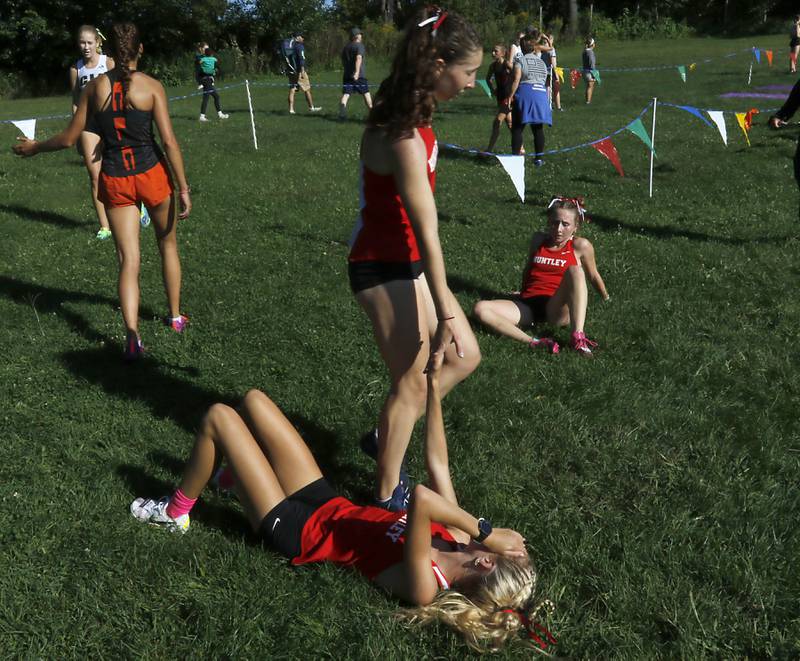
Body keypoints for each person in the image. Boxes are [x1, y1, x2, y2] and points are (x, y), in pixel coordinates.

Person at [130, 356, 554, 652]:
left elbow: (423, 499)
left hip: (297, 529)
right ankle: (233, 475)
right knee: (254, 402)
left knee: (219, 418)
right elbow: (437, 462)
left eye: (505, 554)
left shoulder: (426, 586)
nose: (505, 542)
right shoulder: (459, 538)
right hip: (325, 502)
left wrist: (487, 530)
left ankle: (175, 512)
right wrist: (432, 389)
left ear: (486, 563)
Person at [348, 8, 483, 511]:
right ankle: (385, 493)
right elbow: (426, 226)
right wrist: (445, 308)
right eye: (467, 73)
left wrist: (442, 299)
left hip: (409, 262)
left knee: (463, 357)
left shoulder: (416, 111)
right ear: (438, 64)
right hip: (381, 264)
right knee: (412, 378)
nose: (472, 83)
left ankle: (385, 438)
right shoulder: (401, 132)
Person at [13, 22, 192, 361]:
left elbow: (68, 139)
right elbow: (168, 142)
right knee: (167, 244)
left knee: (128, 260)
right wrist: (183, 187)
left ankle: (132, 336)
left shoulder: (95, 88)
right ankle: (175, 317)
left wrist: (36, 147)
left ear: (112, 50)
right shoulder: (152, 87)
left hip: (115, 178)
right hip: (152, 175)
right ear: (140, 50)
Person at [473, 198, 609, 357]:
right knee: (480, 308)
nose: (558, 229)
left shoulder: (580, 246)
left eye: (565, 224)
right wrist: (522, 291)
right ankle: (535, 342)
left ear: (575, 227)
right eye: (554, 222)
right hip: (529, 304)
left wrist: (606, 297)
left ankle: (578, 337)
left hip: (556, 307)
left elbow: (593, 275)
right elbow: (529, 268)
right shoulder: (539, 240)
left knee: (575, 271)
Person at [69, 25, 115, 240]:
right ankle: (105, 226)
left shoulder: (108, 63)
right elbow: (76, 102)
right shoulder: (76, 68)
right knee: (95, 176)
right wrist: (75, 130)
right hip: (88, 126)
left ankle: (136, 205)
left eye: (89, 42)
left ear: (97, 42)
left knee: (117, 170)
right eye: (81, 42)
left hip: (111, 123)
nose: (85, 47)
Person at [508, 33, 552, 164]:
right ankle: (539, 158)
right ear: (534, 48)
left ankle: (515, 158)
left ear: (521, 48)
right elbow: (546, 80)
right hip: (540, 94)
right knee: (538, 128)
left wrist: (510, 96)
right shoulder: (541, 62)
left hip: (525, 93)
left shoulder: (520, 60)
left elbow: (516, 79)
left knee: (517, 128)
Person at [339, 28, 373, 119]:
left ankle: (342, 114)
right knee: (366, 93)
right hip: (359, 76)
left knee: (346, 94)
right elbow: (359, 58)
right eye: (360, 34)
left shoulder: (346, 47)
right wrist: (357, 72)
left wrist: (348, 70)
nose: (361, 36)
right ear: (356, 36)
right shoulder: (359, 46)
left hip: (347, 75)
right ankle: (372, 114)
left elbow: (343, 60)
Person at [284, 32, 322, 115]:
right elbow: (302, 58)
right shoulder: (299, 46)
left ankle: (291, 109)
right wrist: (302, 71)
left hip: (291, 71)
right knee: (307, 89)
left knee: (292, 89)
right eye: (302, 37)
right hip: (299, 71)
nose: (303, 39)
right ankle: (311, 107)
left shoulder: (291, 47)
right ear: (298, 37)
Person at [484, 44, 513, 152]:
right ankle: (521, 148)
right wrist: (493, 90)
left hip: (509, 97)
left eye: (495, 51)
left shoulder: (507, 64)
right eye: (492, 51)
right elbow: (488, 79)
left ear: (502, 53)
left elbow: (518, 75)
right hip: (500, 97)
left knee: (497, 121)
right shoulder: (492, 66)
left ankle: (489, 150)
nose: (493, 53)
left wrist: (513, 90)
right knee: (510, 123)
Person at [198, 47, 229, 122]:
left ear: (205, 54)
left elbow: (199, 64)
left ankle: (220, 114)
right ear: (211, 54)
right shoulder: (214, 59)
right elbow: (218, 64)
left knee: (216, 96)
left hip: (206, 79)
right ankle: (202, 116)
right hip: (208, 80)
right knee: (206, 98)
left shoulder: (203, 59)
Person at [541, 32, 562, 112]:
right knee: (556, 90)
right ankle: (558, 107)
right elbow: (553, 63)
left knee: (547, 89)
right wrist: (556, 75)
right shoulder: (551, 50)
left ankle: (548, 106)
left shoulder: (543, 50)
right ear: (550, 40)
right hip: (551, 72)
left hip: (544, 72)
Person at [582, 38, 597, 104]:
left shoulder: (585, 51)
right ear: (592, 45)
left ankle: (587, 101)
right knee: (590, 87)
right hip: (589, 72)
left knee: (588, 86)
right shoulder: (590, 52)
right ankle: (588, 102)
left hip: (585, 71)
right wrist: (594, 74)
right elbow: (591, 63)